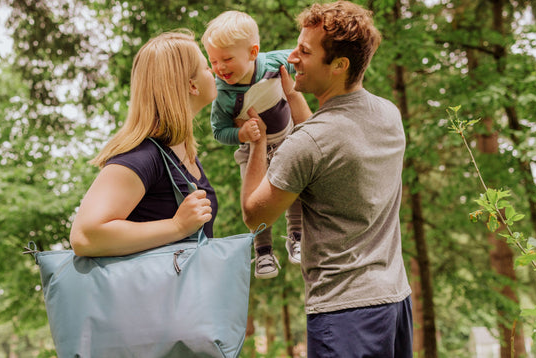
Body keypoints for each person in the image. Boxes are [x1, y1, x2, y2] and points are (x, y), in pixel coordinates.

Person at [240, 2, 413, 357]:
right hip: (395, 302)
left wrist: (257, 144)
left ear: (339, 65)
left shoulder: (309, 144)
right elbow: (328, 140)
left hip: (343, 314)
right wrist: (292, 95)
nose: (292, 56)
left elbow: (255, 216)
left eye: (305, 51)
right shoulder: (388, 116)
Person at [70, 30, 218, 257]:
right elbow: (85, 235)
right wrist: (176, 226)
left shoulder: (183, 155)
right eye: (207, 67)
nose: (215, 71)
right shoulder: (142, 156)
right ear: (192, 86)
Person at [201, 10, 312, 279]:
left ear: (253, 52)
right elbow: (218, 131)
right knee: (258, 199)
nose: (220, 68)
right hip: (252, 151)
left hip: (286, 138)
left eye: (227, 59)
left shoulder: (273, 63)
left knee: (296, 187)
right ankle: (263, 251)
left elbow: (300, 57)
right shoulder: (224, 96)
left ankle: (297, 236)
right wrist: (241, 135)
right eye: (213, 61)